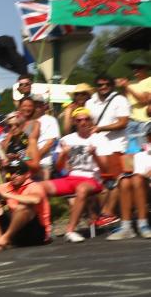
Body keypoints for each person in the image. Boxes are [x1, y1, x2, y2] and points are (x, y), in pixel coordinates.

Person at [48, 109, 105, 243]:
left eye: (86, 119)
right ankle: (42, 230)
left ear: (91, 121)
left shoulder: (99, 139)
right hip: (71, 177)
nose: (83, 123)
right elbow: (59, 167)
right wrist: (63, 154)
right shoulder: (67, 139)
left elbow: (105, 168)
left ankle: (70, 230)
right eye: (79, 120)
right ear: (74, 122)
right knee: (39, 187)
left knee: (82, 189)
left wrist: (94, 154)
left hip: (92, 179)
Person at [0, 157, 48, 251]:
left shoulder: (34, 186)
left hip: (36, 233)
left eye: (18, 173)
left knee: (23, 206)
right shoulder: (8, 186)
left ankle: (5, 239)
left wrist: (9, 196)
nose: (14, 175)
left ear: (27, 174)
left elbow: (35, 199)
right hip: (16, 232)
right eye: (11, 172)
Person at [85, 75, 131, 179]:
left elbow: (123, 123)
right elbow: (88, 122)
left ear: (112, 86)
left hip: (115, 146)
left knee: (115, 178)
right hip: (96, 146)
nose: (103, 87)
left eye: (107, 84)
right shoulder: (89, 102)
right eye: (100, 85)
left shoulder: (120, 100)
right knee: (98, 179)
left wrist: (100, 128)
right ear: (96, 87)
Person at [113, 144, 151, 239]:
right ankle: (126, 227)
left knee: (137, 179)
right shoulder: (136, 151)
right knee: (124, 182)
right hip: (139, 182)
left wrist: (145, 176)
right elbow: (129, 170)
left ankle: (143, 224)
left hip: (145, 182)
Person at [116, 56, 151, 151]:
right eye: (133, 68)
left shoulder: (149, 81)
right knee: (130, 151)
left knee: (144, 151)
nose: (135, 70)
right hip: (131, 122)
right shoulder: (132, 83)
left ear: (146, 68)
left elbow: (144, 100)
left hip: (145, 122)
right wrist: (120, 86)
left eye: (139, 67)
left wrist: (127, 85)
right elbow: (124, 99)